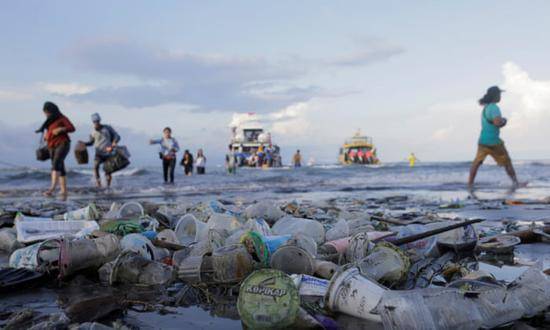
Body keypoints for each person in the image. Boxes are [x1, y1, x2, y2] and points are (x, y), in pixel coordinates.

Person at [468, 86, 520, 191]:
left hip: (482, 141)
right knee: (507, 162)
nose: (500, 96)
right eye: (499, 94)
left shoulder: (486, 108)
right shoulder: (494, 108)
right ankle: (516, 183)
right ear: (495, 95)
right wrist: (504, 121)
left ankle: (470, 184)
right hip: (494, 142)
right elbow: (497, 123)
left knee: (477, 163)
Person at [36, 102, 75, 199]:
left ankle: (52, 189)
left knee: (56, 164)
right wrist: (47, 136)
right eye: (45, 112)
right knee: (60, 167)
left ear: (52, 111)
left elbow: (72, 128)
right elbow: (49, 132)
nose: (46, 114)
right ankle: (64, 191)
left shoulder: (62, 118)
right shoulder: (49, 121)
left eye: (47, 112)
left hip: (63, 144)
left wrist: (61, 129)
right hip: (51, 146)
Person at [79, 113, 120, 188]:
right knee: (95, 166)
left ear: (99, 120)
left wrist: (114, 143)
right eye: (94, 122)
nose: (96, 123)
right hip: (99, 153)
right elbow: (91, 143)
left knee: (108, 171)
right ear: (93, 122)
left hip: (109, 153)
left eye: (97, 121)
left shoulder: (107, 128)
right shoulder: (92, 132)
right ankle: (99, 184)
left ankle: (108, 186)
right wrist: (84, 143)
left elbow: (117, 136)